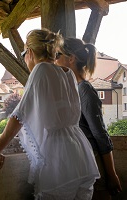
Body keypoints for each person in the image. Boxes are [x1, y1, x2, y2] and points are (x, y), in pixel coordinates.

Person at [0, 29, 100, 200]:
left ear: (30, 53)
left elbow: (19, 115)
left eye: (24, 53)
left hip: (58, 157)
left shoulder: (40, 70)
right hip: (80, 152)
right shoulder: (67, 73)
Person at [54, 37, 122, 200]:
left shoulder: (84, 89)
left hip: (95, 163)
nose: (55, 59)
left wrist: (111, 175)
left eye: (58, 54)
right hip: (83, 163)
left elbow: (100, 134)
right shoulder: (74, 89)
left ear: (71, 59)